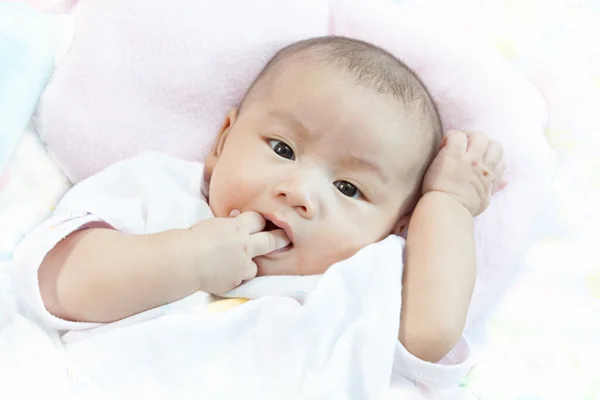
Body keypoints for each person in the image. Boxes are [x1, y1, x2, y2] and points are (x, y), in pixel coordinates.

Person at [14, 36, 505, 376]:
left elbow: (432, 332)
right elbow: (57, 285)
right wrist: (184, 259)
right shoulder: (160, 193)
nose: (300, 192)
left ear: (395, 229)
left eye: (349, 189)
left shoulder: (359, 282)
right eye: (283, 150)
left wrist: (449, 203)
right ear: (224, 140)